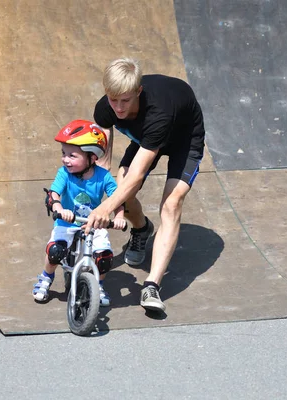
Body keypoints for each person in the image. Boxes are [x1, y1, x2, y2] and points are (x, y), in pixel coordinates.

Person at [87, 57, 206, 313]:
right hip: (146, 138)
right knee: (120, 194)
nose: (118, 108)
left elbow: (137, 176)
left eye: (126, 101)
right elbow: (104, 138)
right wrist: (105, 181)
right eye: (113, 100)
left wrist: (105, 208)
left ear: (138, 92)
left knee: (171, 204)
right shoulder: (106, 107)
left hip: (184, 139)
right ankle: (141, 230)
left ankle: (152, 284)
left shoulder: (158, 113)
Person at [32, 119, 126, 306]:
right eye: (63, 154)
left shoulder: (104, 176)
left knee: (104, 257)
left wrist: (120, 217)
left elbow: (118, 199)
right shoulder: (64, 174)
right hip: (67, 223)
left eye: (72, 155)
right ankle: (46, 277)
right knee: (55, 251)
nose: (65, 159)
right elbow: (54, 194)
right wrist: (58, 208)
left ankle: (98, 284)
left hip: (94, 225)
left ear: (92, 157)